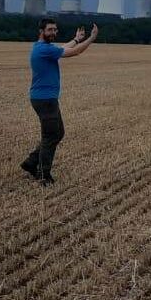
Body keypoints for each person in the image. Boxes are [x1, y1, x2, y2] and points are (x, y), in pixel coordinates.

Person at [21, 18, 98, 185]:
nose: (53, 32)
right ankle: (44, 175)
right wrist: (91, 38)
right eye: (50, 30)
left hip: (46, 98)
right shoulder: (44, 49)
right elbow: (75, 52)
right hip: (45, 100)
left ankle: (31, 162)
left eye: (55, 30)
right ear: (41, 31)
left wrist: (77, 39)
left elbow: (62, 49)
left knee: (57, 133)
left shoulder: (43, 47)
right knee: (50, 136)